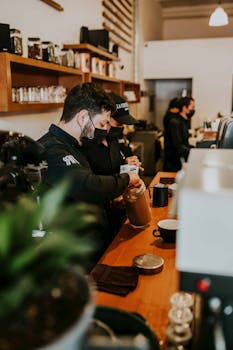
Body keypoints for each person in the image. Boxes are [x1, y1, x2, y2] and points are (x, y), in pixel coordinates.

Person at [38, 83, 140, 254]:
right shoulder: (53, 149)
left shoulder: (76, 144)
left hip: (92, 240)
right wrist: (127, 178)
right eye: (102, 123)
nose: (105, 130)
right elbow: (87, 186)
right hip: (72, 250)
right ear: (83, 117)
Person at [80, 92, 142, 235]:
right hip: (95, 225)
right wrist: (112, 199)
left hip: (119, 215)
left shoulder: (114, 139)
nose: (122, 128)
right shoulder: (85, 145)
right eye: (118, 123)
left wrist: (128, 163)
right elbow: (87, 186)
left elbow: (117, 169)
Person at [163, 96, 195, 172]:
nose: (193, 110)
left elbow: (184, 143)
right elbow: (178, 147)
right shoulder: (175, 123)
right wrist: (194, 152)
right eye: (192, 107)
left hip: (179, 162)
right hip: (173, 165)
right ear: (184, 108)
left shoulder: (183, 121)